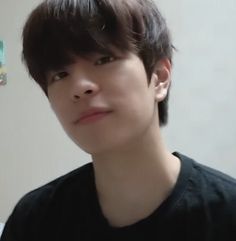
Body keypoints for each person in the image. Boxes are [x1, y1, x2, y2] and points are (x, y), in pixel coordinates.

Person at [1, 0, 236, 240]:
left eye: (104, 60)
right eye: (60, 75)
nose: (80, 87)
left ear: (159, 77)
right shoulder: (33, 222)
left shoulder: (227, 212)